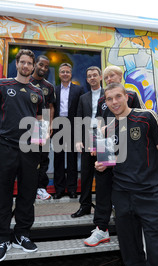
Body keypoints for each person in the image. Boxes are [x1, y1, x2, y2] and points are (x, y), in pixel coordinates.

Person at [95, 83, 158, 266]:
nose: (114, 102)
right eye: (109, 99)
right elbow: (109, 160)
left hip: (150, 195)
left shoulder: (147, 117)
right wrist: (102, 164)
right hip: (122, 196)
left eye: (118, 97)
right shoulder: (108, 129)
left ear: (126, 96)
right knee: (131, 253)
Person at [0, 49, 44, 263]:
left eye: (30, 63)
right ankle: (2, 237)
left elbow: (39, 119)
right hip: (5, 146)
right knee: (2, 193)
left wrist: (40, 140)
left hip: (30, 150)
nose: (26, 66)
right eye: (23, 62)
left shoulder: (38, 91)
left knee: (27, 193)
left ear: (33, 66)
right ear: (16, 64)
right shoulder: (2, 85)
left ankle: (22, 234)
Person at [83, 65, 142, 247]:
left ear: (121, 76)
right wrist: (99, 151)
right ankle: (102, 229)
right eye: (106, 77)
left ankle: (134, 227)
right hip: (109, 150)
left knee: (128, 190)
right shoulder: (103, 99)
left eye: (112, 75)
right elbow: (102, 127)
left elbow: (138, 122)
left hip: (128, 153)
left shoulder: (131, 95)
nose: (109, 79)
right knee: (102, 189)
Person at [73, 66, 103, 218]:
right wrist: (78, 139)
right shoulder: (83, 97)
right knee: (85, 173)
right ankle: (85, 206)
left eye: (95, 75)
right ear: (87, 79)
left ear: (100, 77)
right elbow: (78, 119)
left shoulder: (108, 95)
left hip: (104, 136)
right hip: (87, 136)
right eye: (89, 76)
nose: (92, 78)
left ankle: (103, 206)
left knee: (103, 173)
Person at [53, 62, 84, 199]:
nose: (65, 74)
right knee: (58, 159)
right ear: (59, 75)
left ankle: (72, 189)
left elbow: (81, 109)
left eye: (67, 72)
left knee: (71, 158)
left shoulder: (79, 90)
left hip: (73, 125)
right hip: (58, 125)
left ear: (71, 74)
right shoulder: (54, 90)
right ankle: (59, 190)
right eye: (62, 72)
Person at [30, 55, 56, 200]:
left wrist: (50, 124)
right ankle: (28, 187)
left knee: (43, 158)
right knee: (28, 157)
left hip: (43, 126)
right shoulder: (26, 81)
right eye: (41, 65)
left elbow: (51, 107)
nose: (43, 69)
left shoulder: (49, 87)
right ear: (35, 64)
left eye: (46, 67)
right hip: (27, 126)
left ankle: (40, 188)